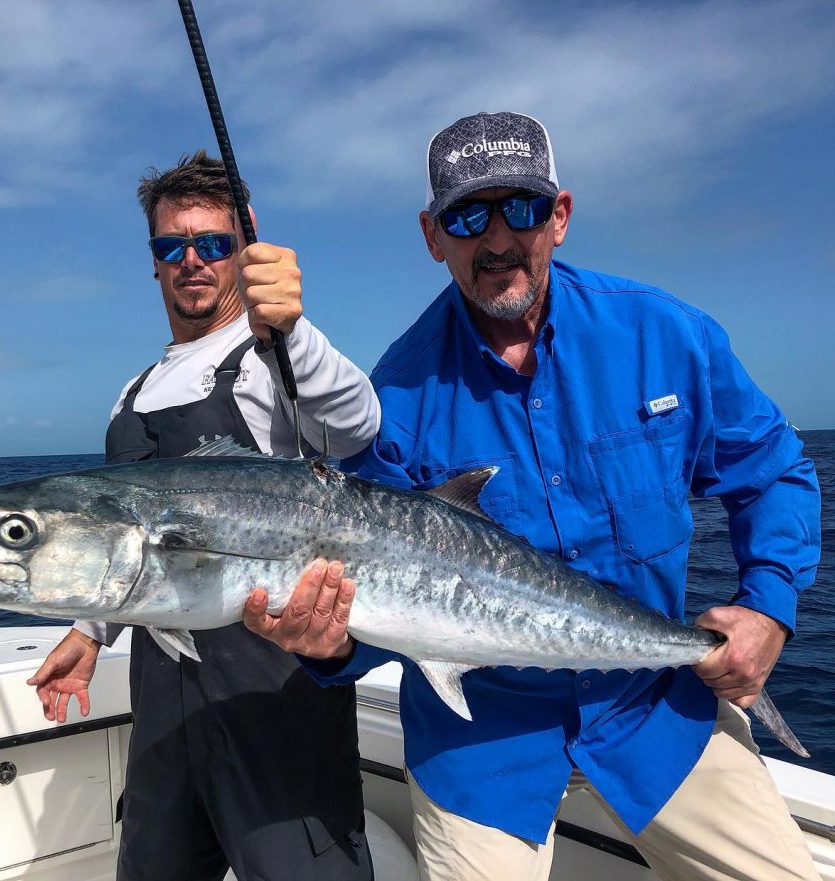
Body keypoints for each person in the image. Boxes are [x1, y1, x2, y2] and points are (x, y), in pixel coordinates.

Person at [244, 112, 822, 881]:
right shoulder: (396, 399)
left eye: (520, 208)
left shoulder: (666, 336)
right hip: (481, 740)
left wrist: (769, 605)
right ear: (431, 235)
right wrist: (333, 643)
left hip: (656, 708)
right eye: (465, 216)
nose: (496, 239)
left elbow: (774, 468)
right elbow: (378, 598)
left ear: (560, 216)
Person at [28, 150, 379, 881]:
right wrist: (92, 630)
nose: (192, 260)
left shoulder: (268, 363)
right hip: (165, 711)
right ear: (153, 261)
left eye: (214, 243)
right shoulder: (132, 391)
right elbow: (128, 548)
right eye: (172, 246)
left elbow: (356, 424)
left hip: (276, 704)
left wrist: (292, 328)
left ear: (242, 248)